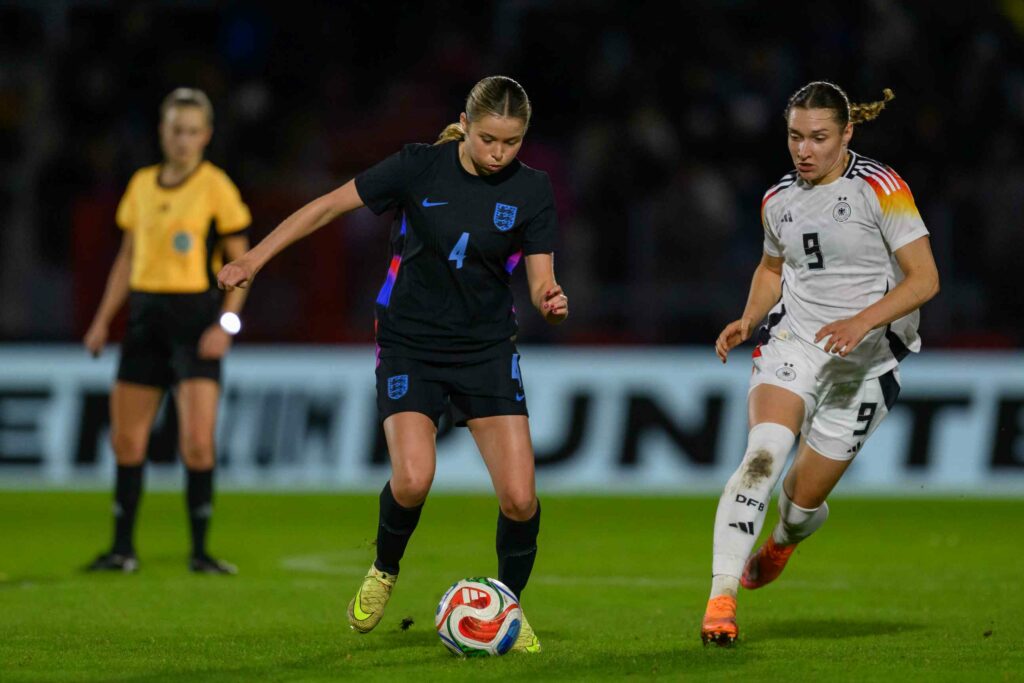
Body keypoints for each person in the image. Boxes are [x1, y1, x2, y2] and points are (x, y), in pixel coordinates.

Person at [217, 75, 567, 652]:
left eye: (512, 143)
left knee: (521, 498)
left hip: (485, 349)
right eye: (487, 140)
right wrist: (254, 257)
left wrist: (551, 301)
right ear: (465, 123)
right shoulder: (417, 167)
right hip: (411, 343)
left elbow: (541, 280)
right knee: (412, 479)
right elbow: (327, 207)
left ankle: (504, 608)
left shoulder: (533, 190)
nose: (499, 154)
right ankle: (384, 569)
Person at [700, 81, 940, 646]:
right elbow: (770, 268)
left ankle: (783, 540)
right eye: (794, 137)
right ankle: (721, 598)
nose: (803, 150)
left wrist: (862, 322)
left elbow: (925, 279)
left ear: (847, 133)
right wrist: (749, 317)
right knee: (763, 456)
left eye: (818, 138)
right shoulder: (777, 199)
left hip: (866, 366)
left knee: (803, 504)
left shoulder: (881, 189)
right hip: (796, 345)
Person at [84, 88, 252, 575]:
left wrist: (226, 324)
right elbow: (126, 259)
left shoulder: (216, 187)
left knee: (197, 442)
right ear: (162, 131)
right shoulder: (140, 185)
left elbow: (241, 264)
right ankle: (122, 550)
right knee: (127, 442)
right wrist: (101, 320)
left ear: (206, 135)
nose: (183, 139)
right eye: (175, 129)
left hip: (197, 320)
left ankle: (200, 552)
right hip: (145, 319)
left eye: (192, 131)